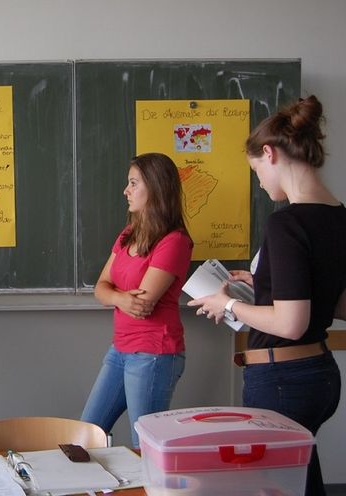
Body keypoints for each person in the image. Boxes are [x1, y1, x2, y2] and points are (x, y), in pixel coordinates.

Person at [187, 95, 344, 496]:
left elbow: (291, 324)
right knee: (300, 475)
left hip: (282, 379)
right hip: (319, 375)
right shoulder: (339, 216)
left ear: (270, 154)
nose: (258, 181)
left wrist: (228, 304)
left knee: (271, 485)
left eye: (256, 169)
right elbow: (335, 301)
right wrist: (267, 285)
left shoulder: (286, 223)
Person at [81, 153, 193, 448]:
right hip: (121, 349)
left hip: (153, 354)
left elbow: (142, 304)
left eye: (133, 183)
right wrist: (119, 296)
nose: (125, 191)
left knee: (143, 447)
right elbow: (100, 289)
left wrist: (114, 296)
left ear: (155, 188)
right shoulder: (128, 234)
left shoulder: (174, 241)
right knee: (87, 433)